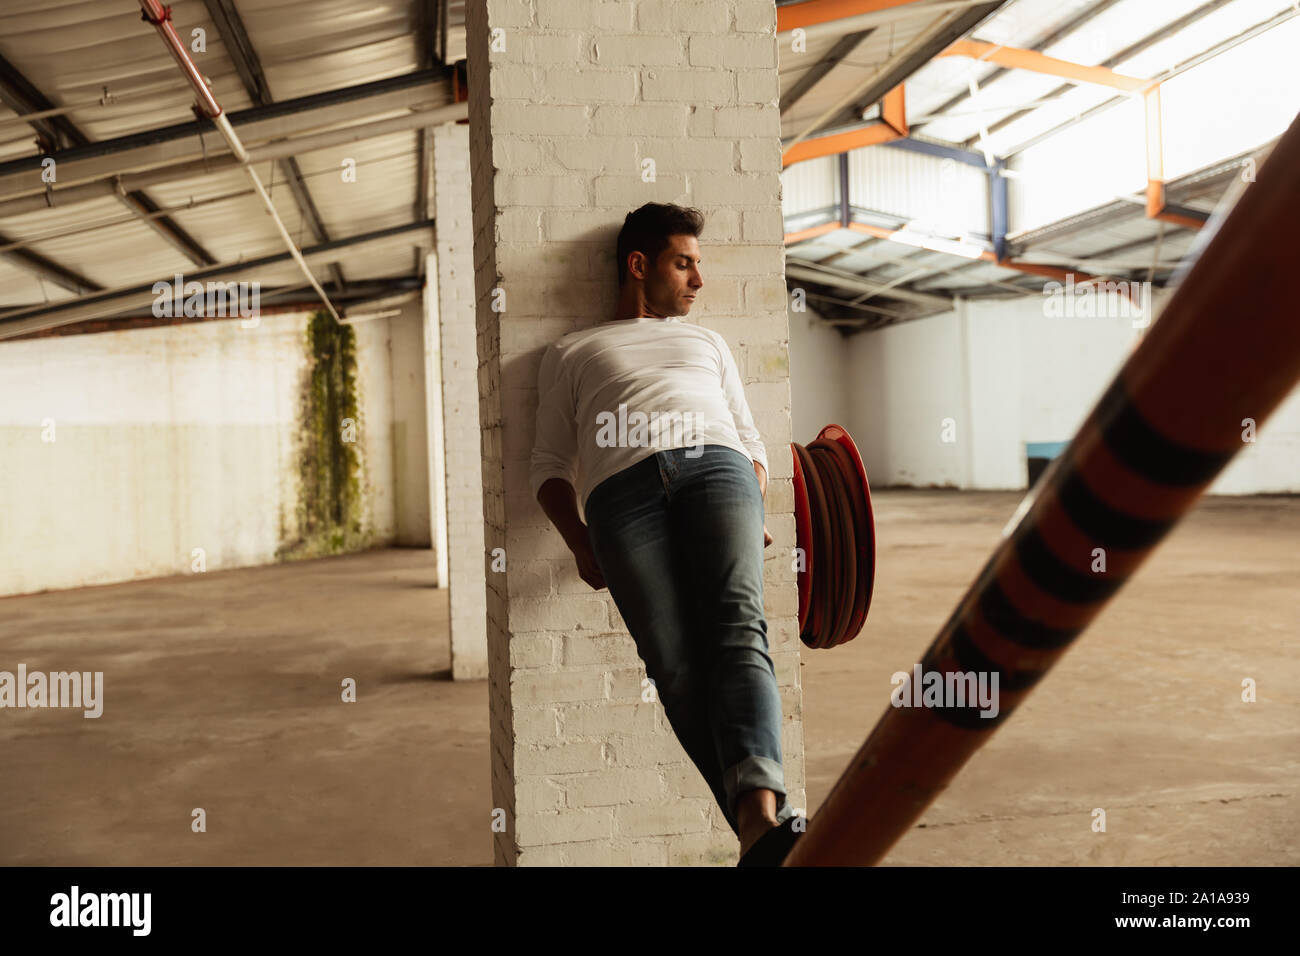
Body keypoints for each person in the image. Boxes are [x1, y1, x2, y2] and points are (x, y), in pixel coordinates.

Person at [529, 202, 802, 864]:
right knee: (674, 665)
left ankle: (760, 814)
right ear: (638, 264)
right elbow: (546, 467)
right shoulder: (572, 351)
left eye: (698, 266)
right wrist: (576, 538)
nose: (698, 281)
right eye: (685, 264)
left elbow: (749, 438)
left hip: (718, 471)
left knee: (739, 629)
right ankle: (757, 830)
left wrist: (751, 505)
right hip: (622, 497)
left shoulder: (707, 343)